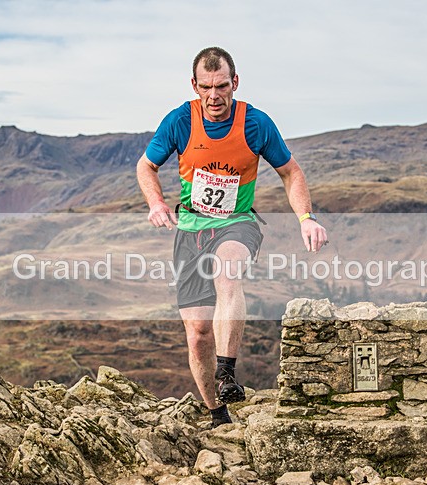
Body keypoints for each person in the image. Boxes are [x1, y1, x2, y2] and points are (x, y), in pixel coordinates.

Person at [136, 46, 327, 427]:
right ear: (194, 86)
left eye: (221, 86)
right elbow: (146, 166)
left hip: (237, 222)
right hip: (191, 229)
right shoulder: (180, 121)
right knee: (198, 333)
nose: (214, 96)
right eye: (206, 87)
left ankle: (226, 371)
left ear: (235, 82)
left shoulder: (255, 123)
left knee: (228, 271)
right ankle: (217, 413)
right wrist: (156, 203)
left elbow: (291, 172)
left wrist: (306, 218)